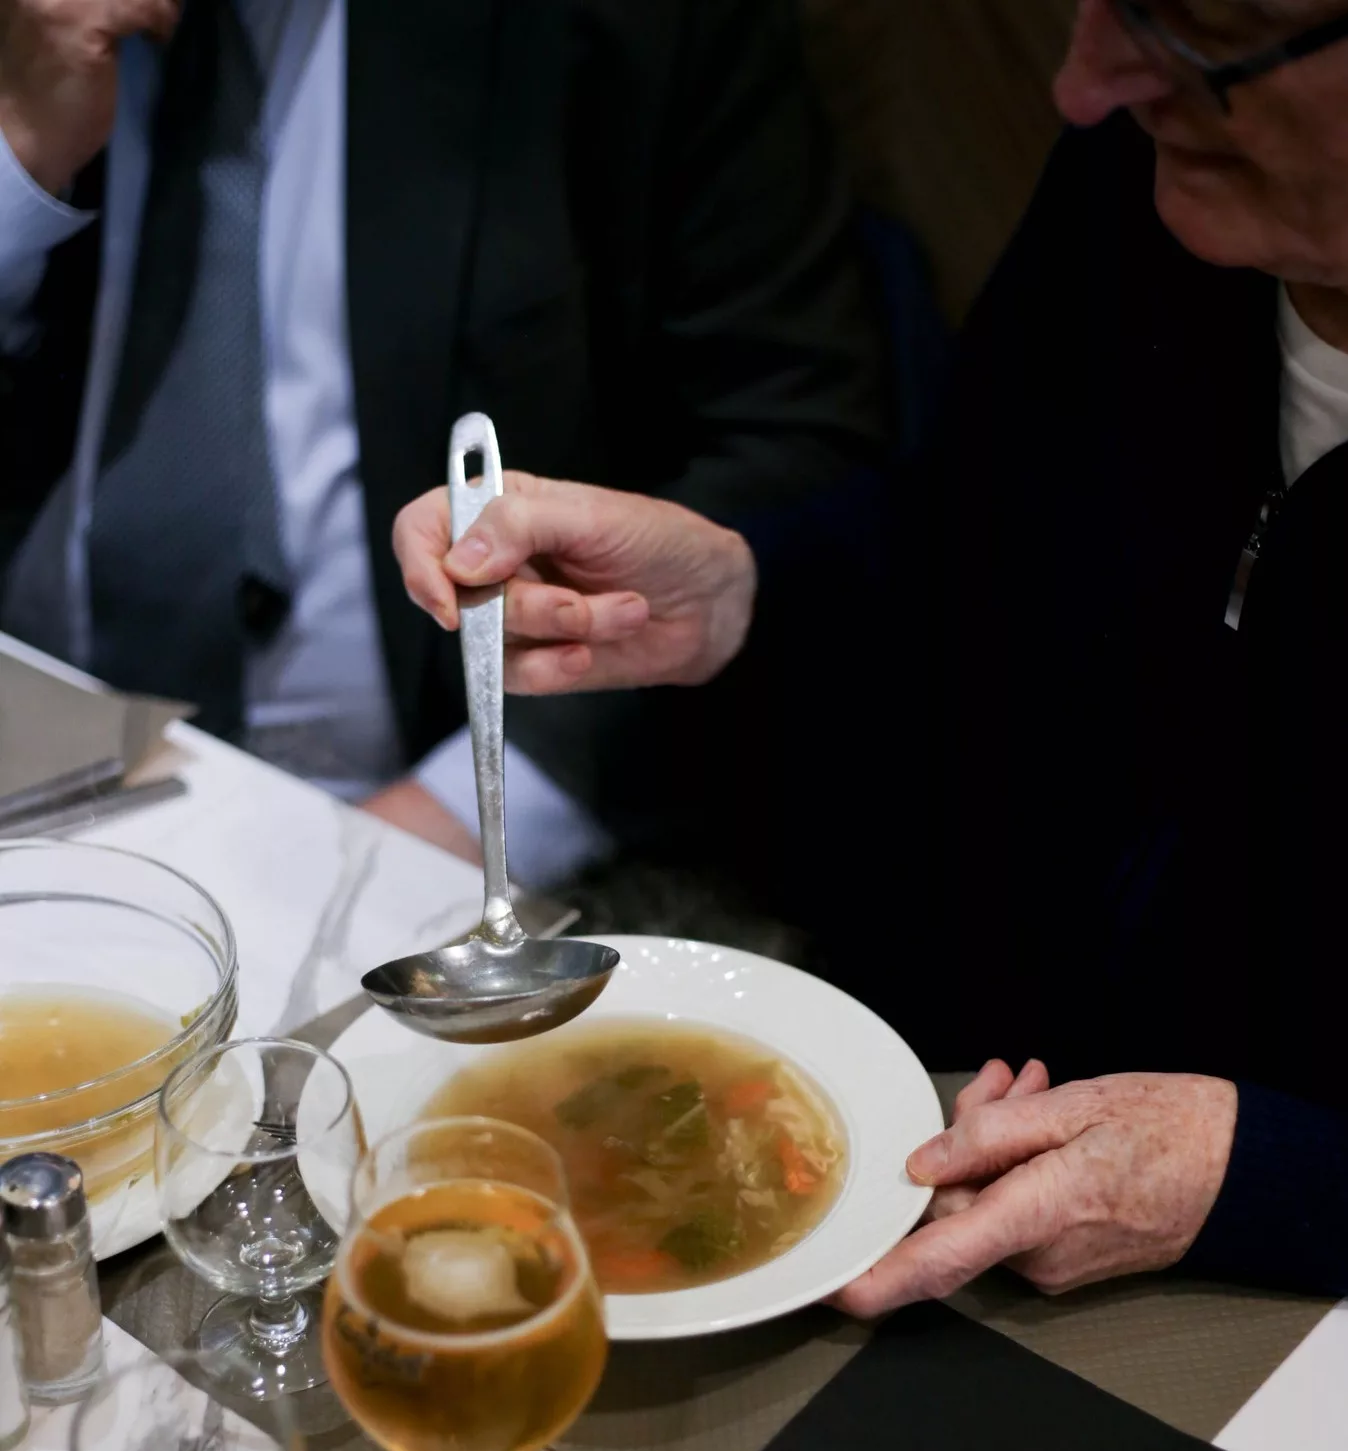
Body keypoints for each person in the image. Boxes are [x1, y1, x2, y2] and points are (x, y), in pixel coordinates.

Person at [392, 0, 1348, 1309]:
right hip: (940, 1113)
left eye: (1194, 31)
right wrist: (744, 589)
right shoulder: (1144, 180)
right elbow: (981, 543)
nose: (1085, 83)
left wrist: (1260, 1174)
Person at [0, 0, 885, 886]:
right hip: (29, 735)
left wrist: (468, 815)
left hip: (426, 806)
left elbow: (802, 445)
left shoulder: (644, 29)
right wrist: (20, 155)